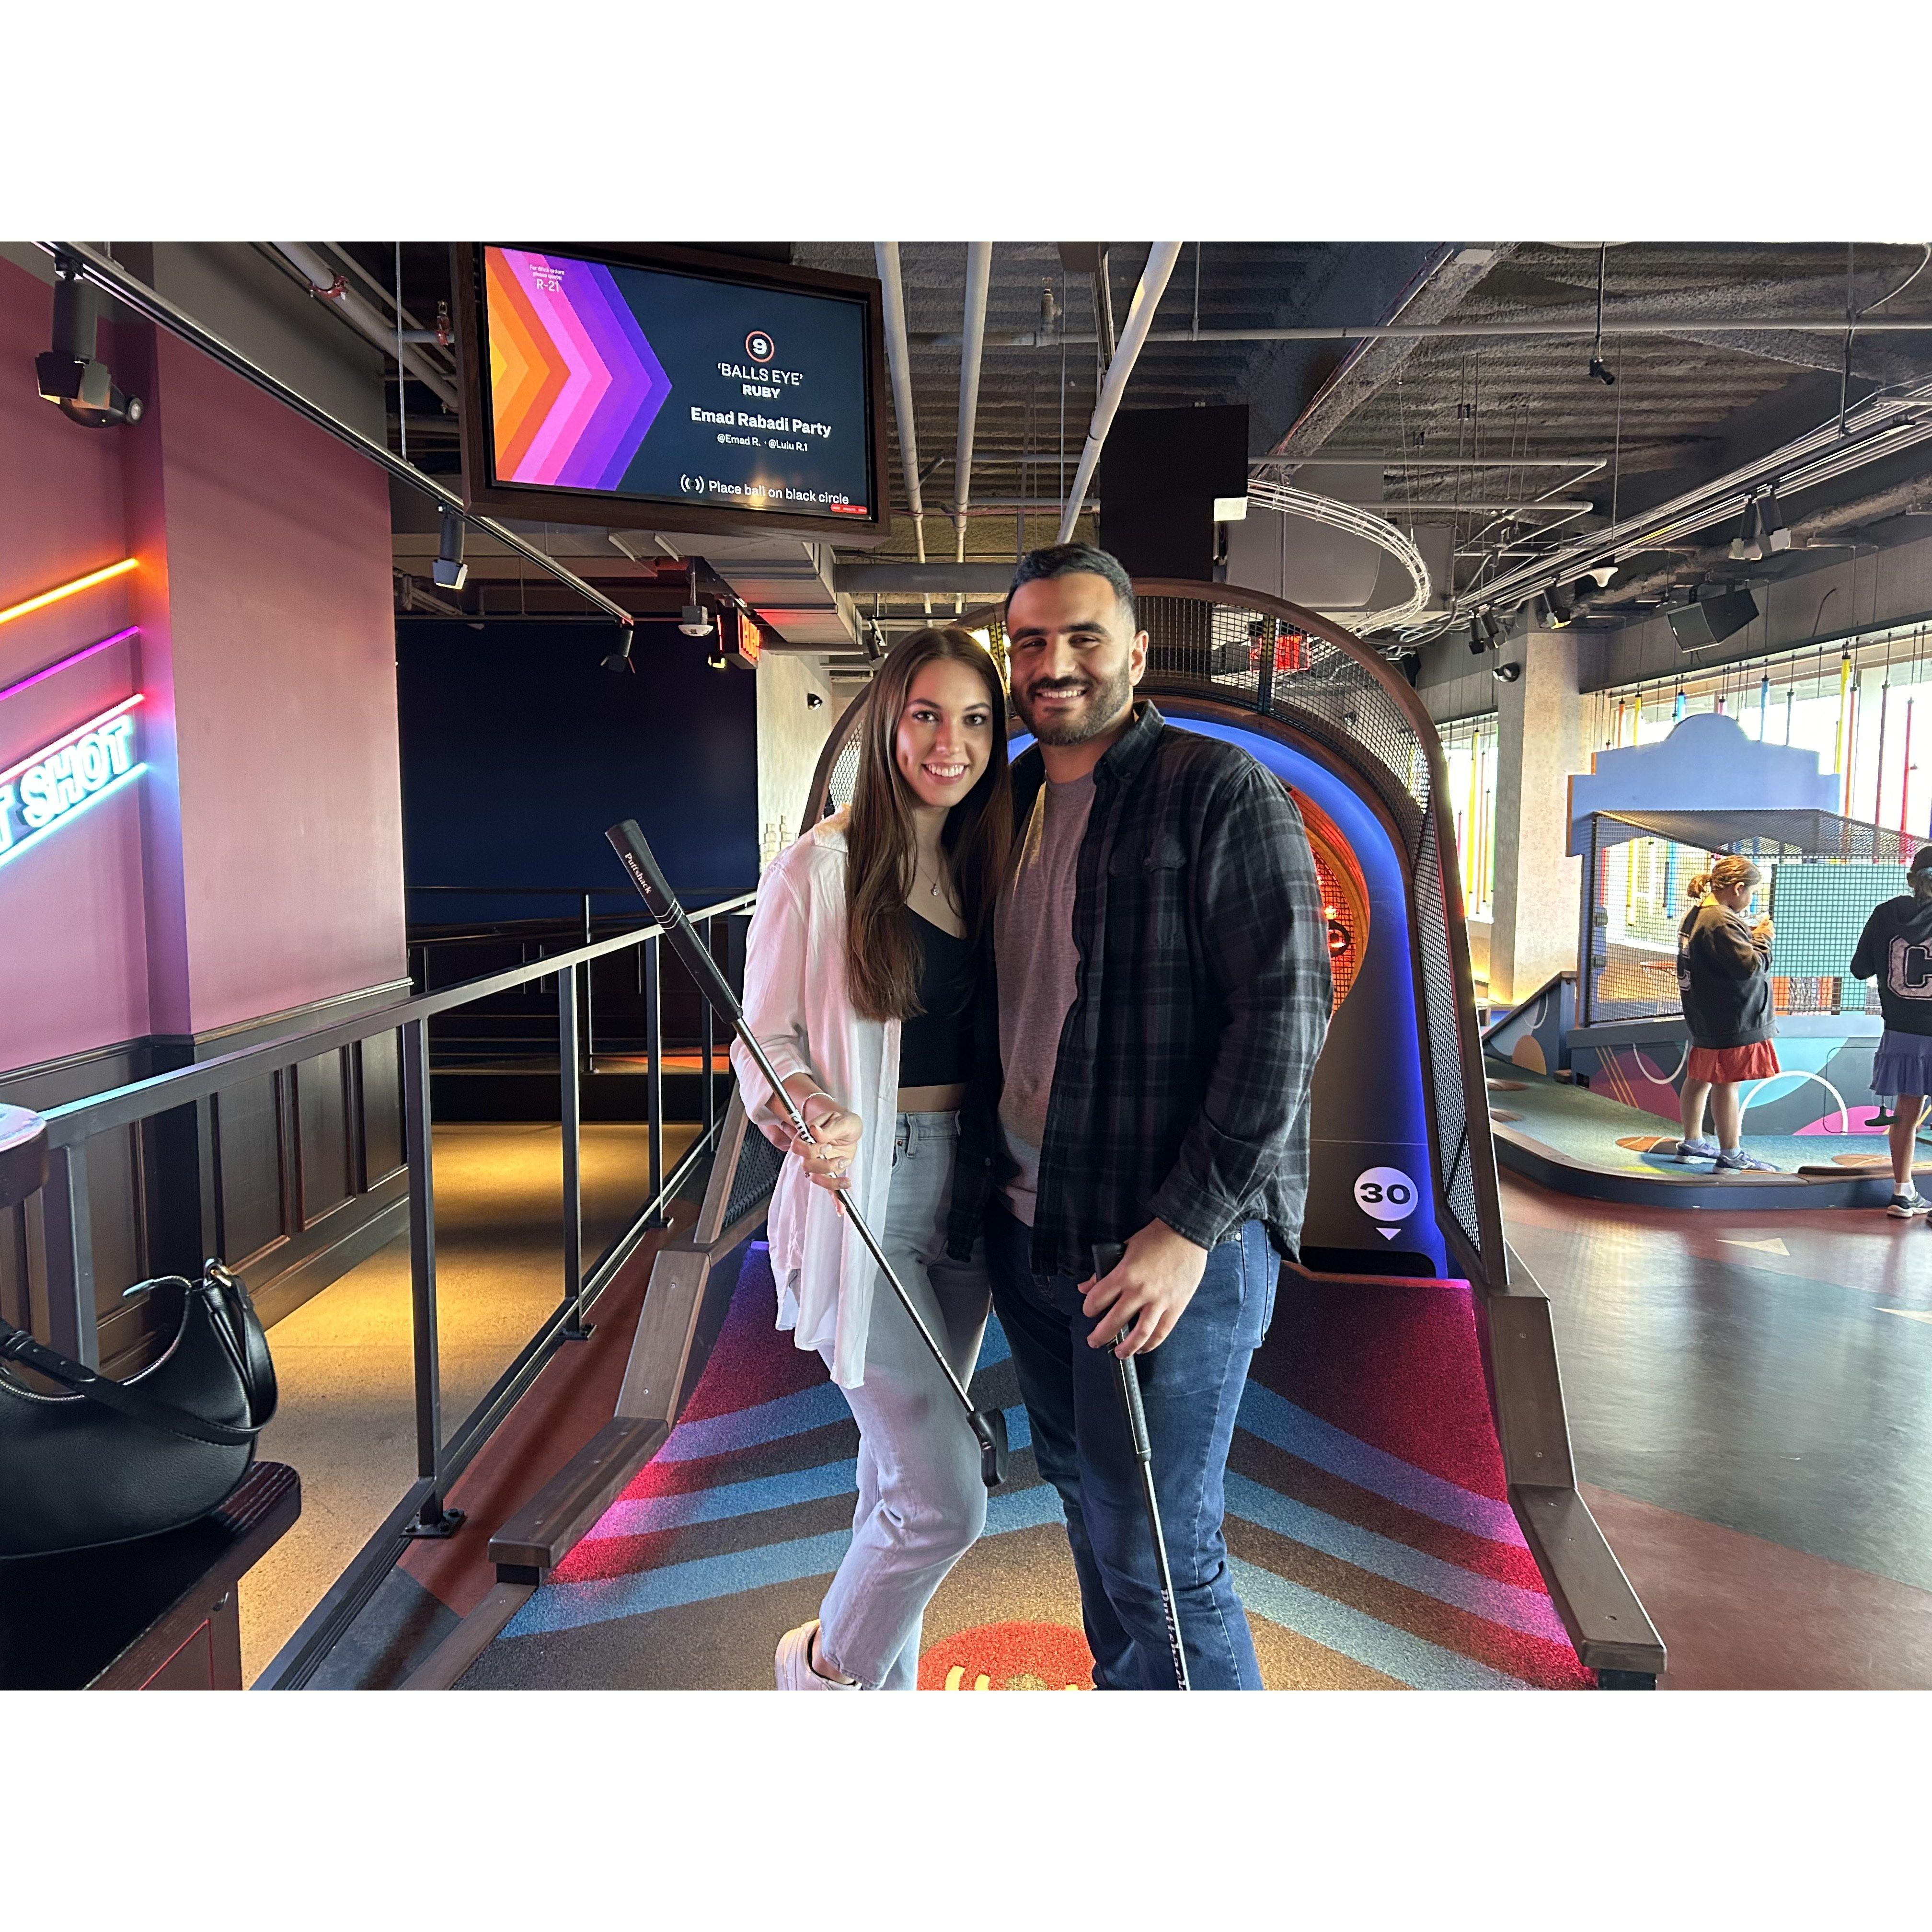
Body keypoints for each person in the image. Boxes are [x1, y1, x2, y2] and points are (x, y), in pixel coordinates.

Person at [949, 544, 1332, 1690]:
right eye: (1031, 641)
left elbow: (1286, 1015)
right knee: (1088, 1504)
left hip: (1166, 1244)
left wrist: (1187, 1228)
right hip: (1032, 1227)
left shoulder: (1215, 788)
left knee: (1159, 1550)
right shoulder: (1004, 802)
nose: (1055, 664)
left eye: (1084, 637)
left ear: (1136, 651)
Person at [732, 625, 1013, 1690]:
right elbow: (762, 1040)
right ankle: (820, 1675)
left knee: (897, 1479)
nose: (951, 743)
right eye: (927, 715)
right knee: (946, 1498)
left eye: (975, 719)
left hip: (972, 1190)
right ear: (889, 721)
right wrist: (810, 1108)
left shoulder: (992, 859)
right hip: (871, 1193)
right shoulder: (821, 866)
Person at [1674, 854, 1781, 1173]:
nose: (1751, 900)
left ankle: (1692, 1142)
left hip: (1706, 1015)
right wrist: (1763, 938)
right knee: (1728, 1084)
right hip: (1731, 1018)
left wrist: (1748, 934)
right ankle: (1731, 1154)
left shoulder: (1699, 913)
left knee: (1700, 1078)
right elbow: (1749, 966)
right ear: (1737, 888)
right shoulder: (1720, 919)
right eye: (1752, 892)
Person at [1849, 845, 1932, 1217]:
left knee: (1906, 1112)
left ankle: (1902, 1192)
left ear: (1912, 879)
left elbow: (1860, 969)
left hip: (1901, 1032)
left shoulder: (1886, 913)